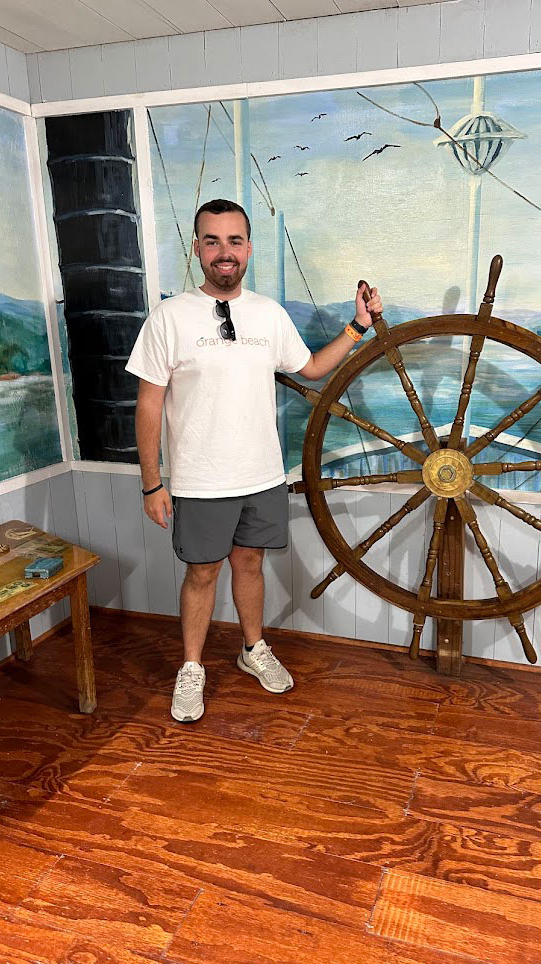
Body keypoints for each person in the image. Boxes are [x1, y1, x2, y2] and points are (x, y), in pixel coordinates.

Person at [126, 198, 383, 722]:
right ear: (198, 248)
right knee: (201, 574)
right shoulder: (170, 317)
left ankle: (252, 649)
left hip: (262, 474)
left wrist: (358, 327)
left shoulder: (268, 314)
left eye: (235, 241)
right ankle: (192, 668)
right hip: (199, 480)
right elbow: (149, 403)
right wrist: (153, 484)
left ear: (248, 248)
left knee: (250, 563)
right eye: (213, 240)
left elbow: (310, 368)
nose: (225, 252)